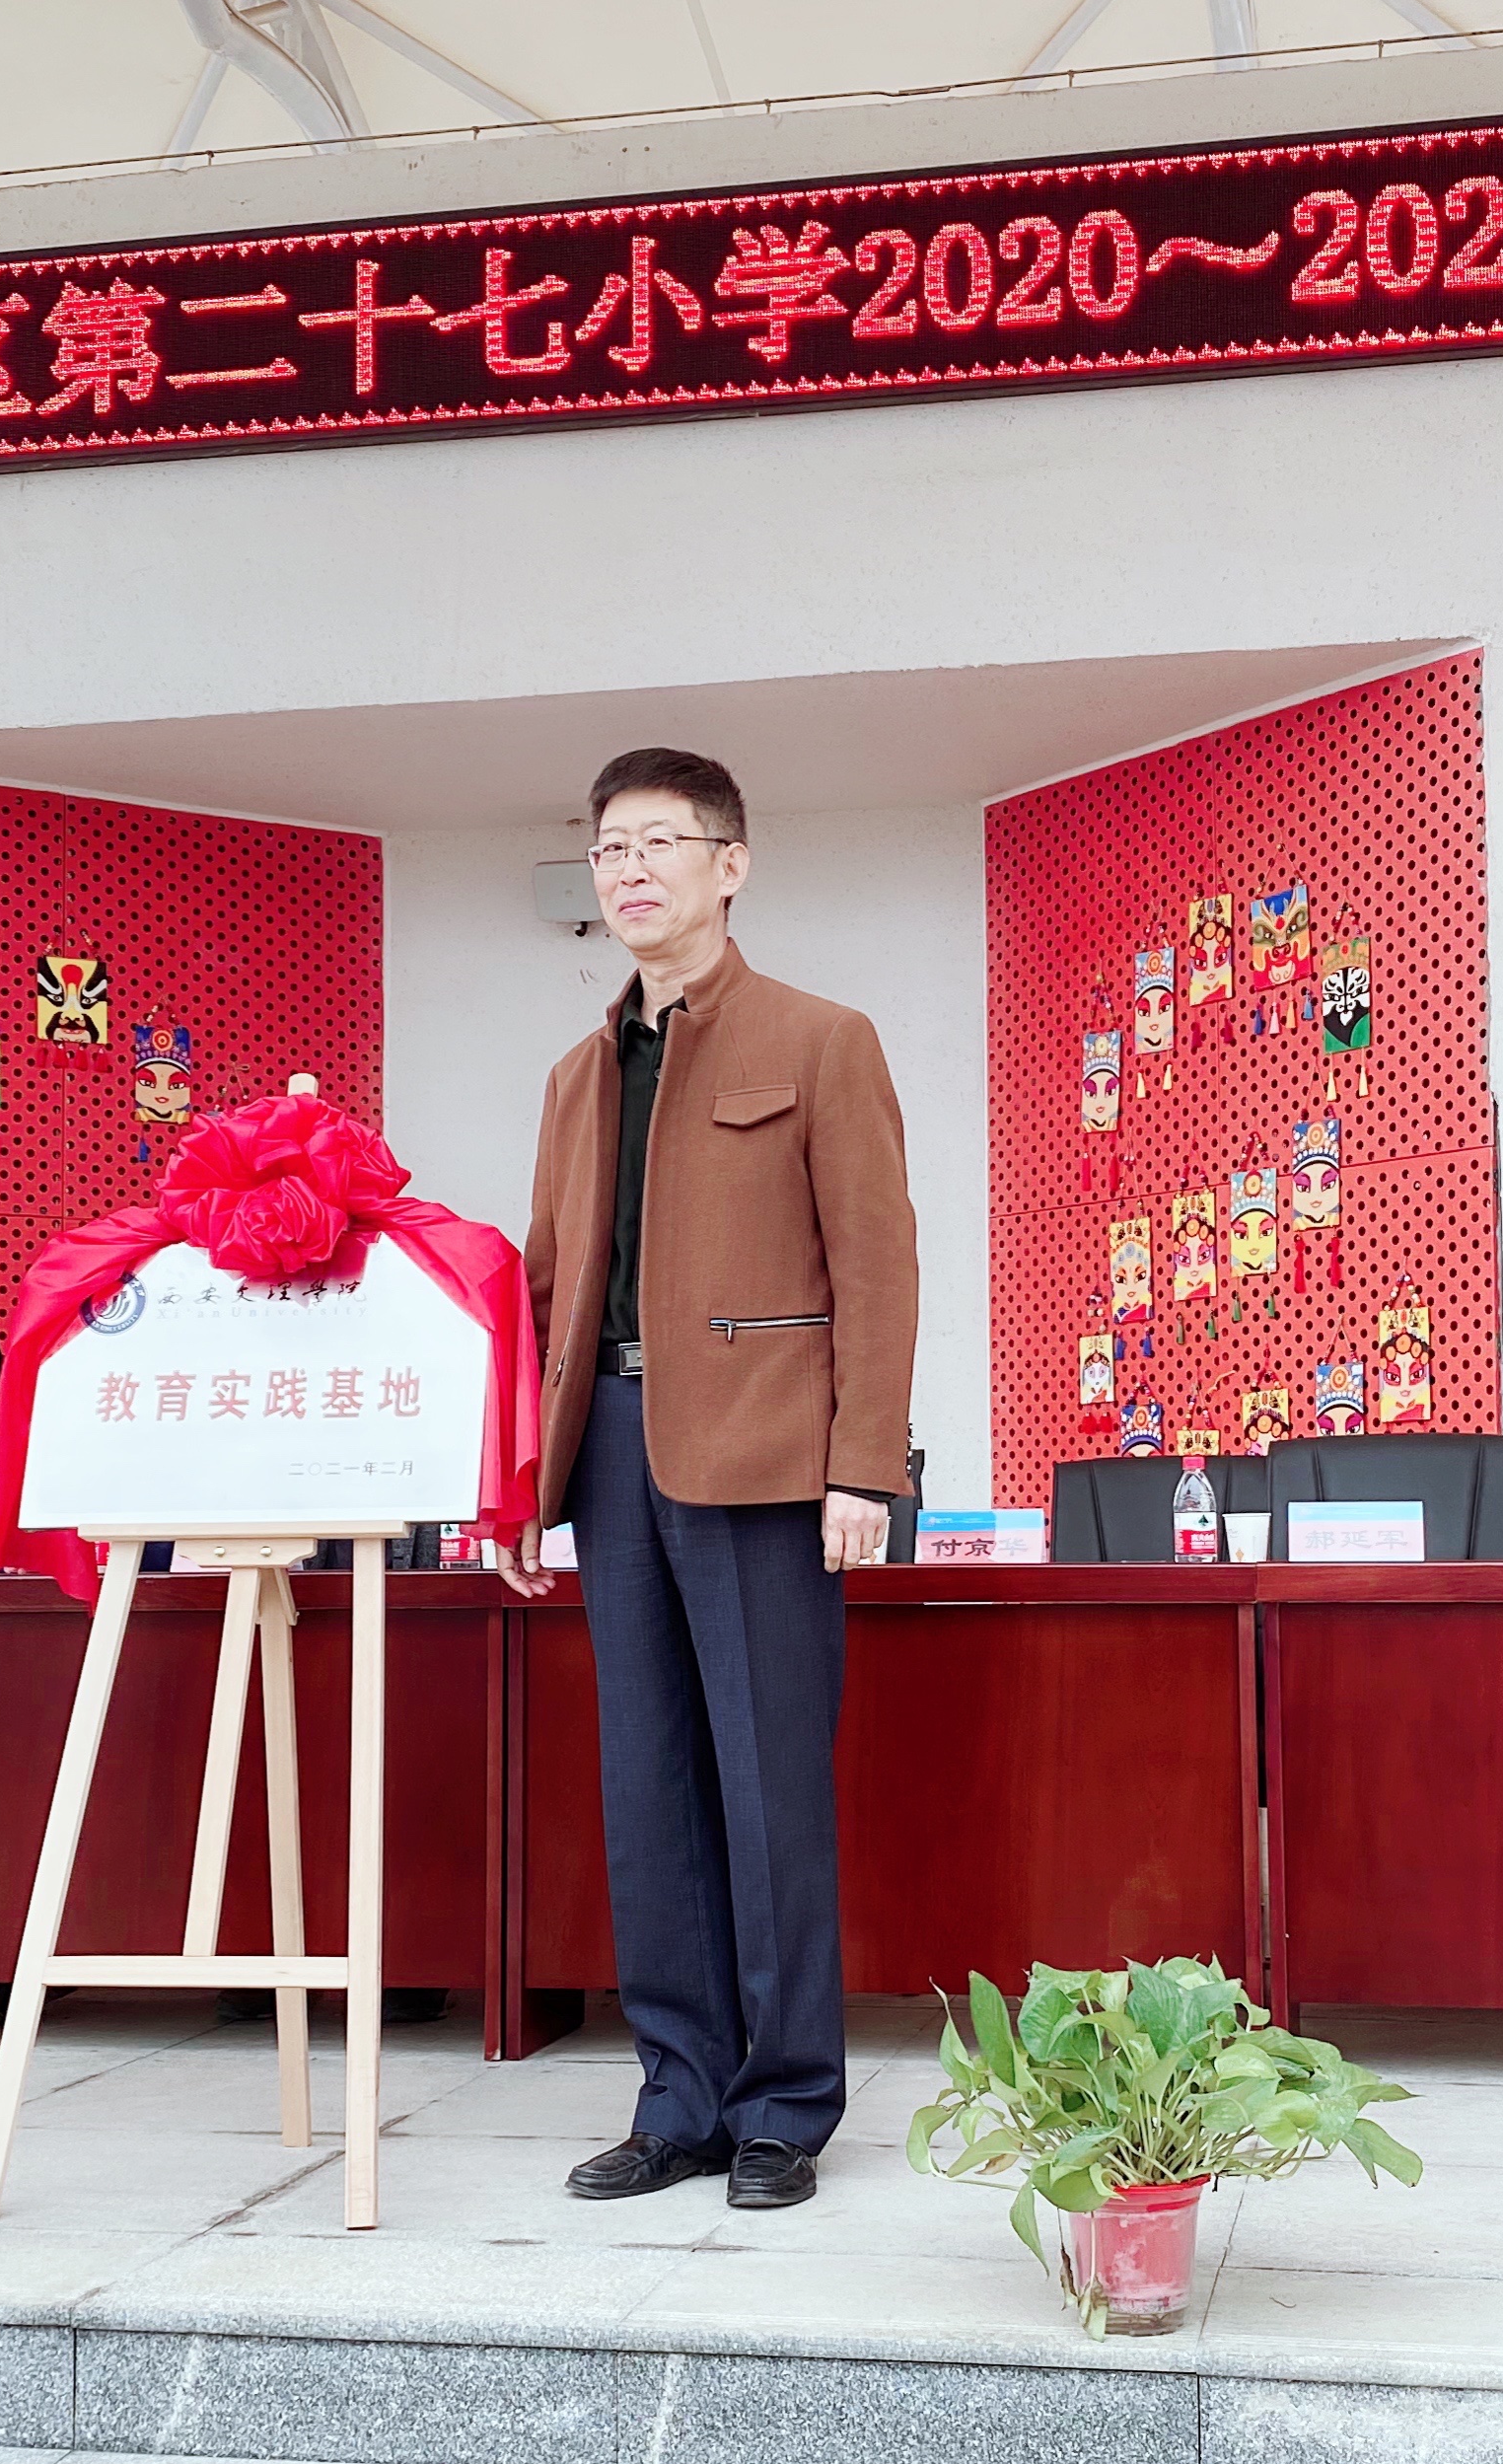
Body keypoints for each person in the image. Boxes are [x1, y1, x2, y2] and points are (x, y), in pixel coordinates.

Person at [503, 747, 918, 2212]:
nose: (629, 869)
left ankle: (785, 2104)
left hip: (765, 1459)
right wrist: (519, 1488)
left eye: (659, 841)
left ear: (729, 865)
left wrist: (863, 1465)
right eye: (608, 846)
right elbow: (546, 1288)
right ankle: (676, 2097)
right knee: (648, 1791)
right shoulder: (577, 1075)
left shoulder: (820, 1039)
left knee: (767, 1786)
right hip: (613, 1460)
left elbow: (877, 1268)